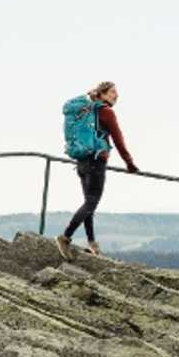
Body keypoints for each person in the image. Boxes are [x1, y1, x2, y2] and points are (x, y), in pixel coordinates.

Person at [57, 81, 139, 259]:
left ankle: (92, 243)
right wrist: (129, 163)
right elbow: (118, 140)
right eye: (112, 92)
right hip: (96, 163)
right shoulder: (106, 112)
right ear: (102, 95)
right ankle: (65, 237)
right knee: (91, 203)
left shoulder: (85, 110)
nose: (116, 96)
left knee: (88, 204)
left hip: (82, 162)